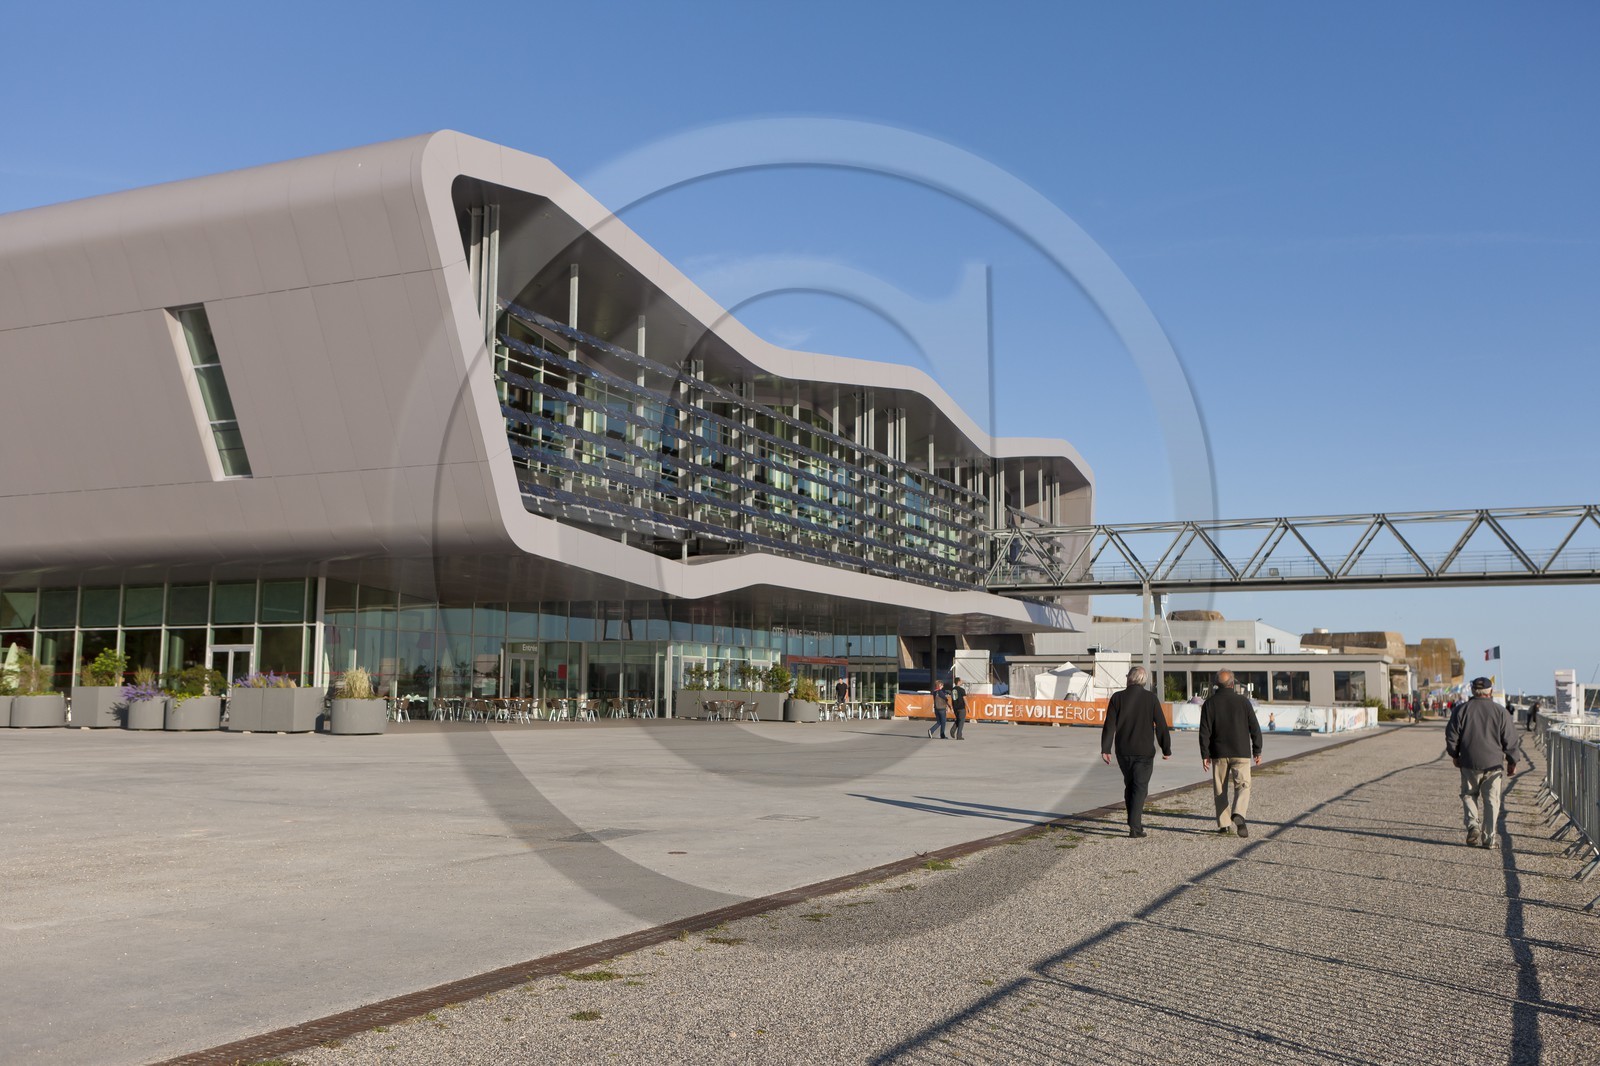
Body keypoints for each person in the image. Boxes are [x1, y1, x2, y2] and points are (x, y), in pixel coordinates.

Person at [1445, 677, 1522, 848]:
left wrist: (1455, 755)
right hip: (1493, 763)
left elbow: (1452, 736)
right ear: (1490, 691)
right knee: (1491, 800)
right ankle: (1489, 838)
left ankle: (1473, 826)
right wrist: (1512, 760)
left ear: (1472, 691)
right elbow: (1510, 739)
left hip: (1469, 761)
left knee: (1468, 795)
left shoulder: (1460, 710)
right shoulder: (1500, 711)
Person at [1100, 665, 1171, 837]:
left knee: (1131, 785)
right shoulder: (1151, 698)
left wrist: (1106, 748)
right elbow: (1161, 725)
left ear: (1129, 679)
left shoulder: (1117, 698)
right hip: (1144, 751)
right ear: (1143, 681)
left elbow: (1110, 725)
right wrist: (1166, 748)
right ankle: (1135, 826)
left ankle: (1133, 821)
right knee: (1140, 788)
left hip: (1123, 751)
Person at [1198, 669, 1262, 837]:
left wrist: (1205, 754)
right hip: (1241, 751)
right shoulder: (1243, 702)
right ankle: (1239, 812)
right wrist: (1257, 750)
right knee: (1243, 785)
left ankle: (1224, 825)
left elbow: (1204, 732)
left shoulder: (1209, 704)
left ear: (1215, 685)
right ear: (1232, 684)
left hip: (1218, 752)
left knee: (1220, 789)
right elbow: (1254, 728)